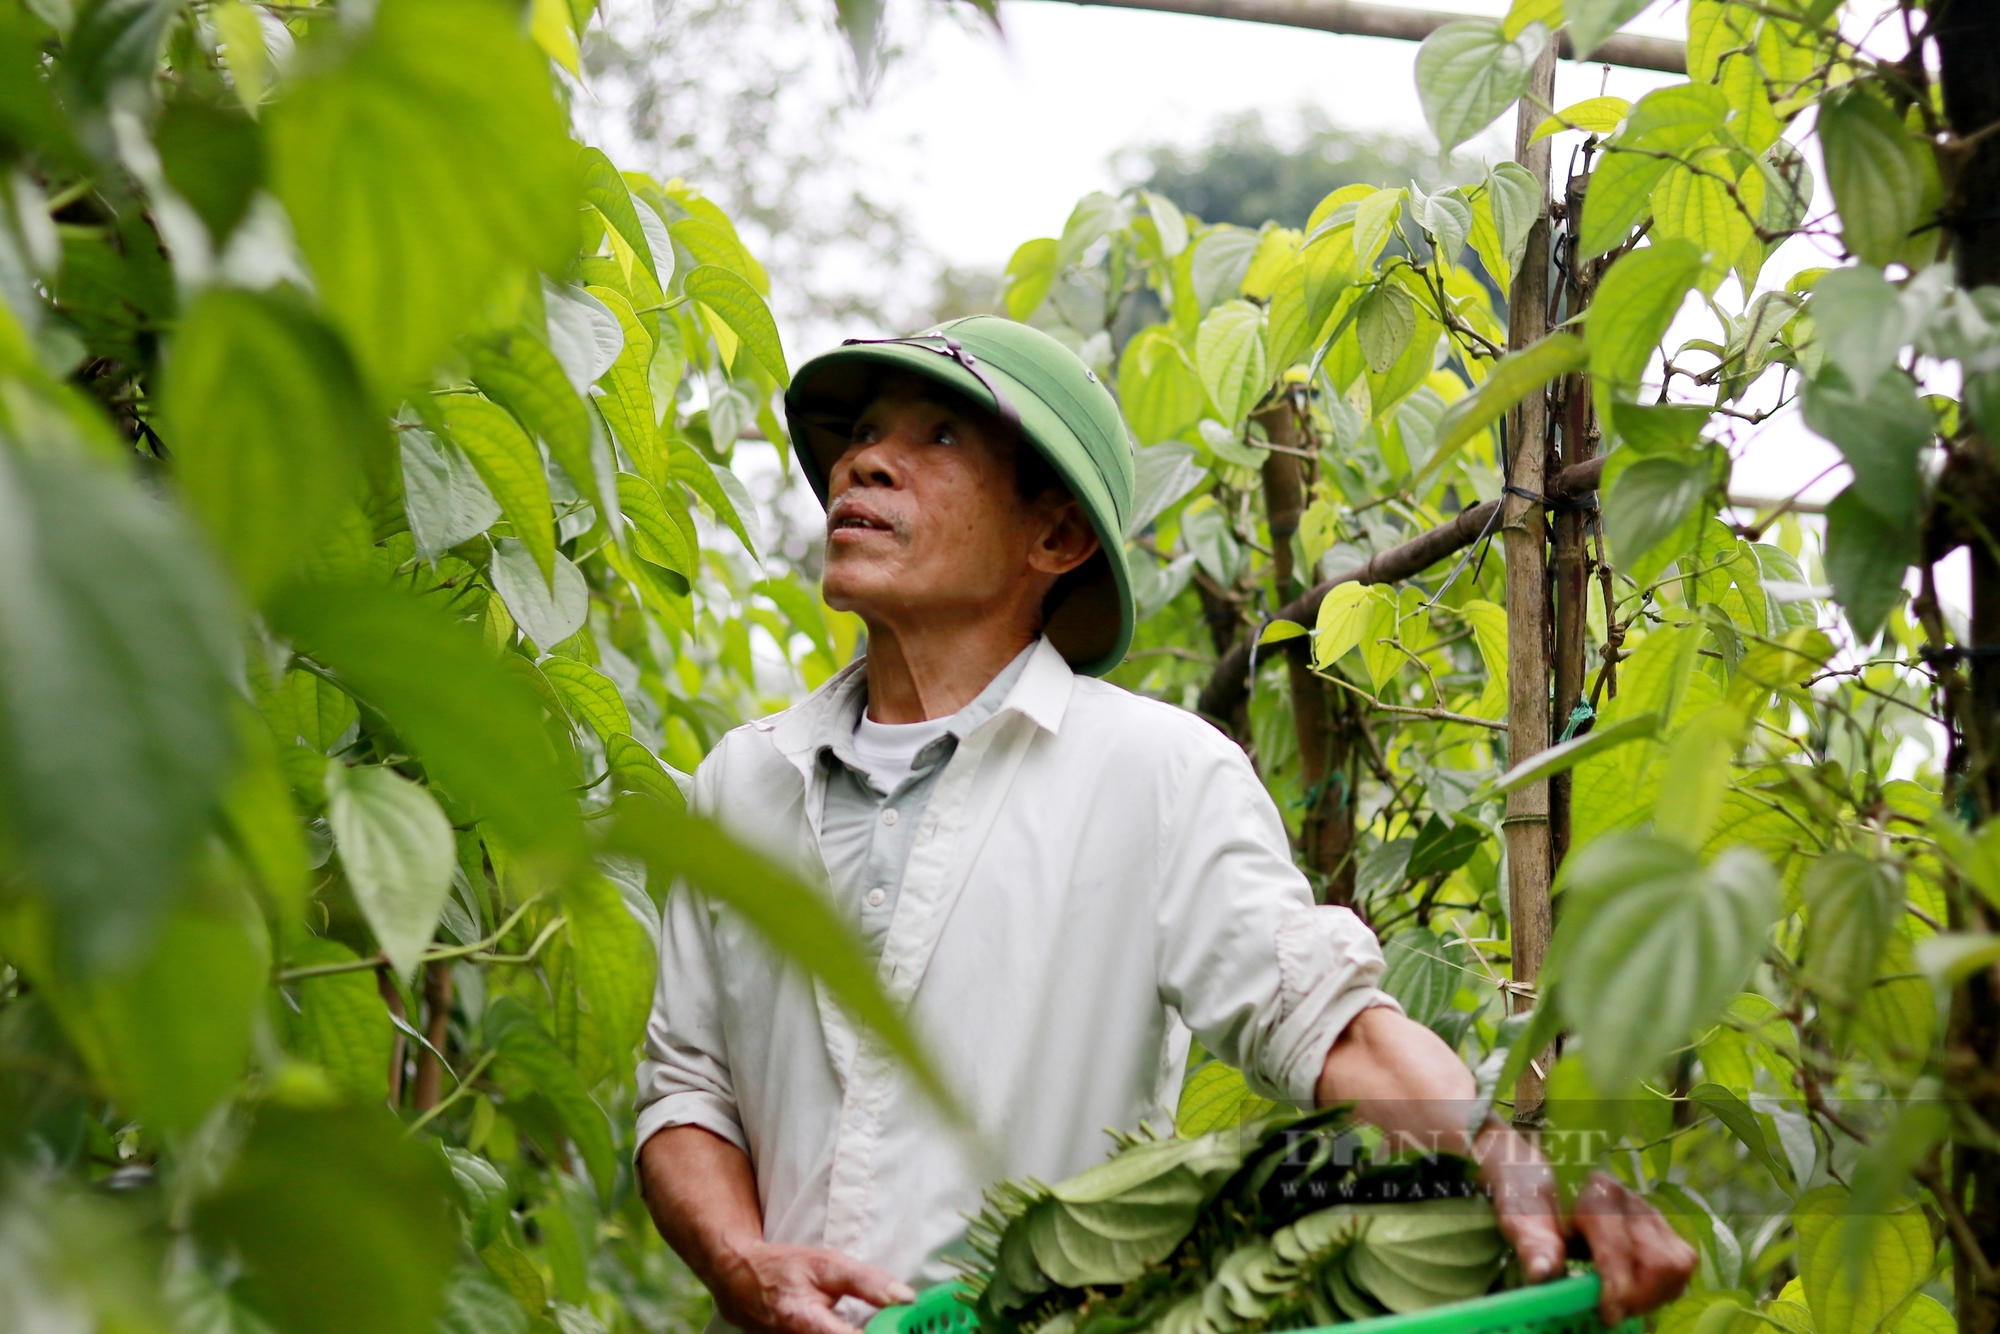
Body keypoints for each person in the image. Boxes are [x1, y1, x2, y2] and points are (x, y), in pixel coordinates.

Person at [633, 317, 1694, 1334]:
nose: (863, 463)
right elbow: (689, 1088)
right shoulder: (739, 784)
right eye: (860, 434)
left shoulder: (1153, 773)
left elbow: (1330, 1022)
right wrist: (740, 1262)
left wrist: (1505, 1161)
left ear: (1051, 534)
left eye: (938, 434)